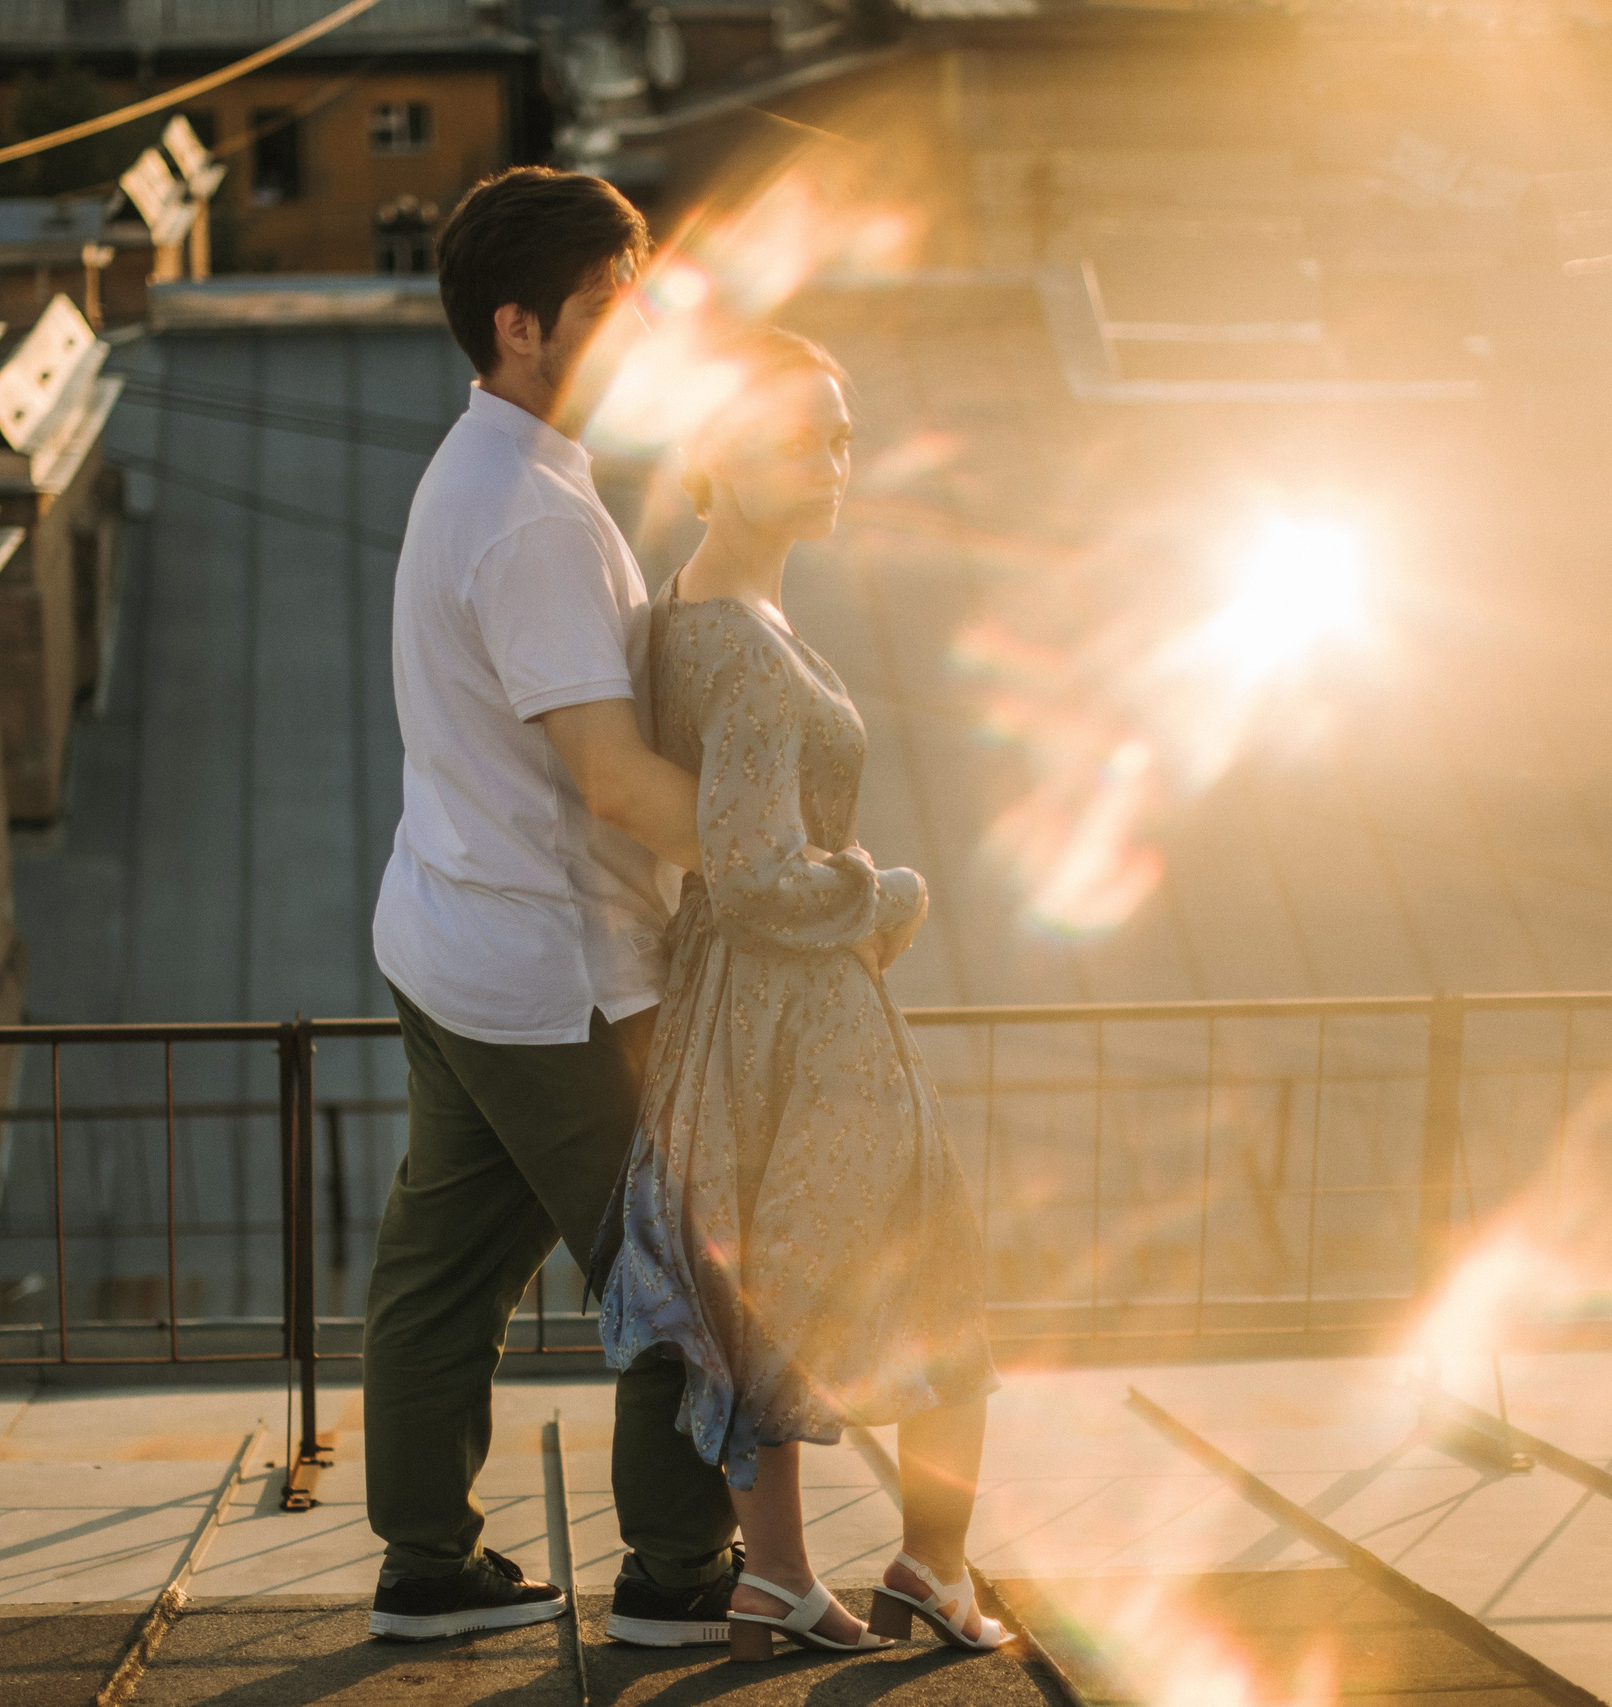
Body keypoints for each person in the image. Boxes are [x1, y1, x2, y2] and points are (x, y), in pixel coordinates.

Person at [363, 166, 741, 1646]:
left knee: (442, 1268)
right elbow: (612, 780)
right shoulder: (528, 515)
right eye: (604, 307)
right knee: (684, 1271)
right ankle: (674, 1577)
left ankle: (427, 1566)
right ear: (518, 327)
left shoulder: (490, 470)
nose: (637, 329)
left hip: (452, 941)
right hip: (552, 970)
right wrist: (770, 873)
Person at [594, 329, 1009, 1662]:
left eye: (840, 434)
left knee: (769, 1277)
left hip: (743, 1003)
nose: (835, 461)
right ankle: (934, 1567)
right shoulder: (749, 654)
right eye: (800, 437)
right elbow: (761, 871)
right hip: (803, 1005)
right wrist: (888, 896)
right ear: (718, 453)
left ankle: (778, 1572)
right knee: (938, 1267)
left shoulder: (692, 612)